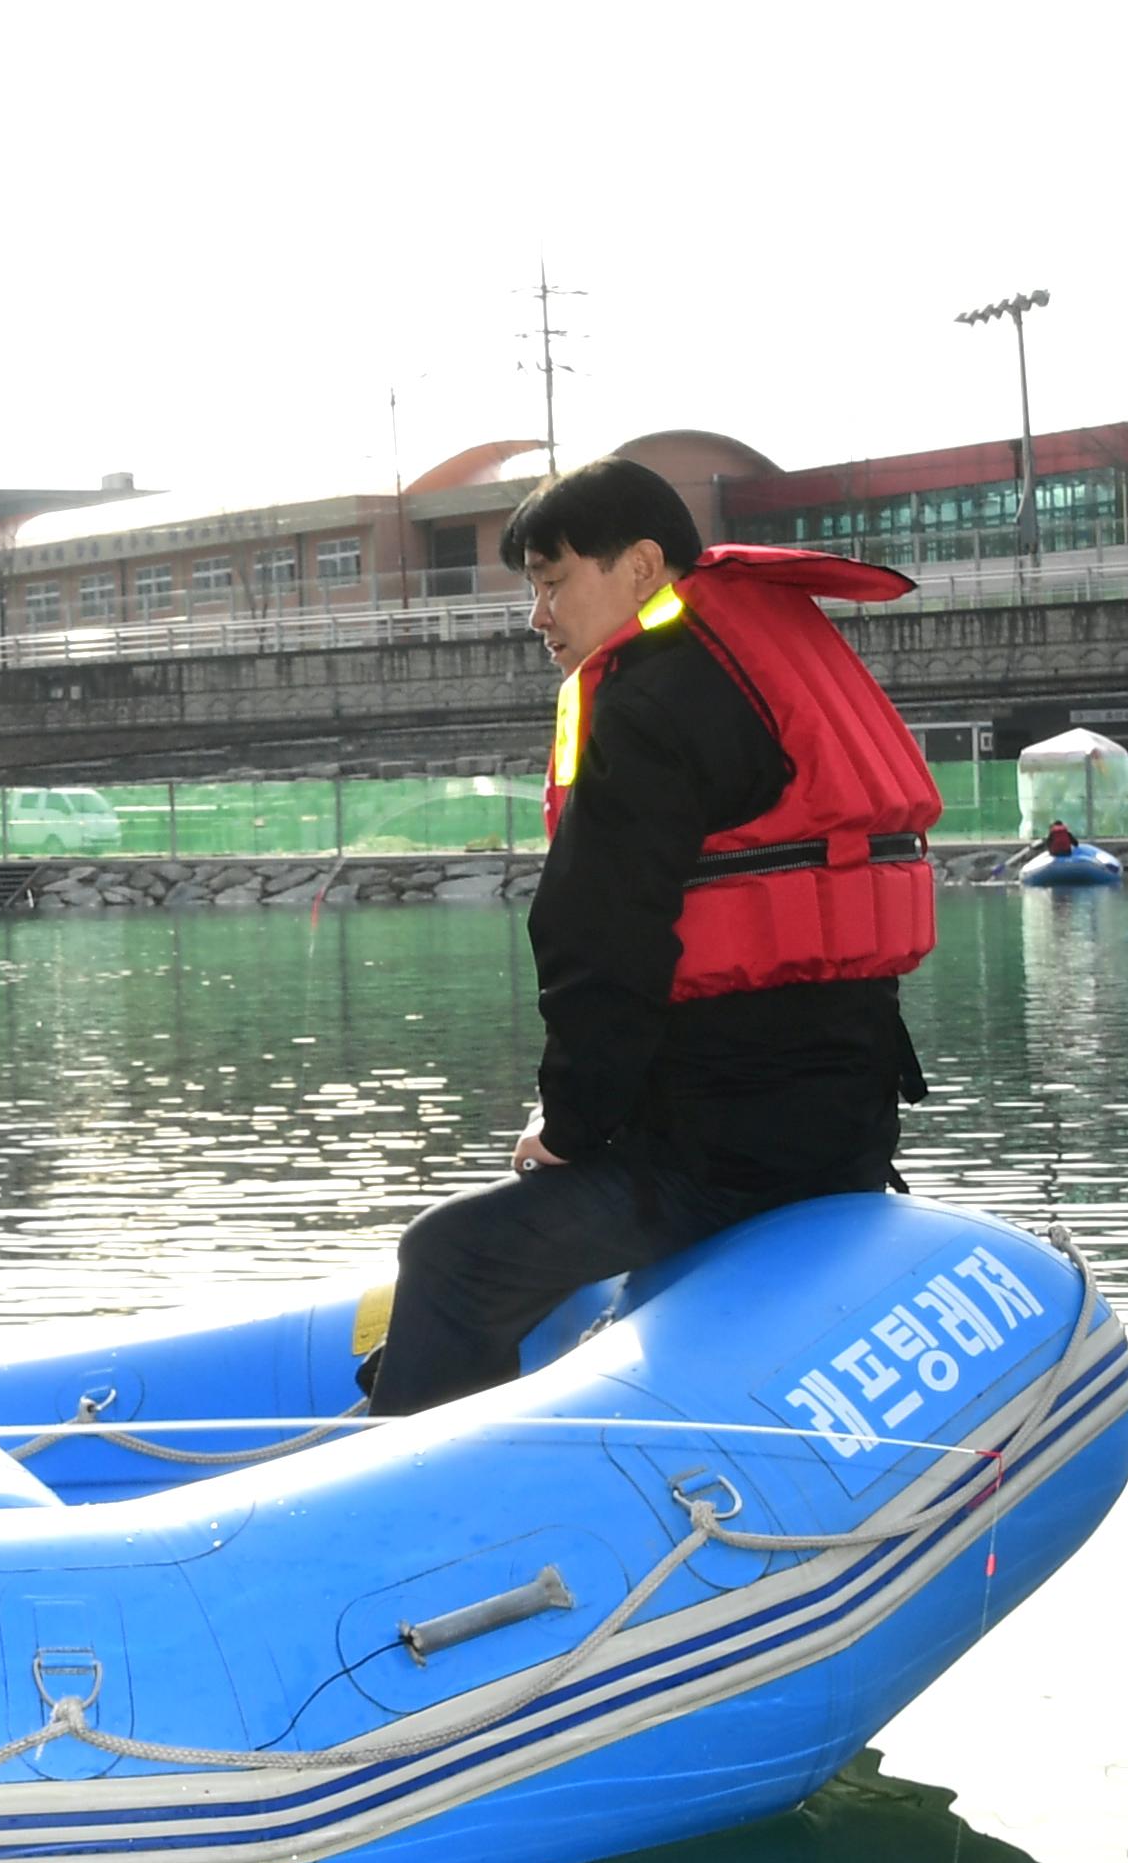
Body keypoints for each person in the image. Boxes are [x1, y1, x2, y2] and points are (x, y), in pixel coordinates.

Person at [365, 457, 940, 1418]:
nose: (538, 616)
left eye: (552, 584)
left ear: (638, 569)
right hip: (843, 1126)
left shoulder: (648, 702)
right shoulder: (748, 665)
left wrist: (570, 1129)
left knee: (448, 1255)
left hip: (726, 1155)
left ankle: (397, 1502)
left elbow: (599, 941)